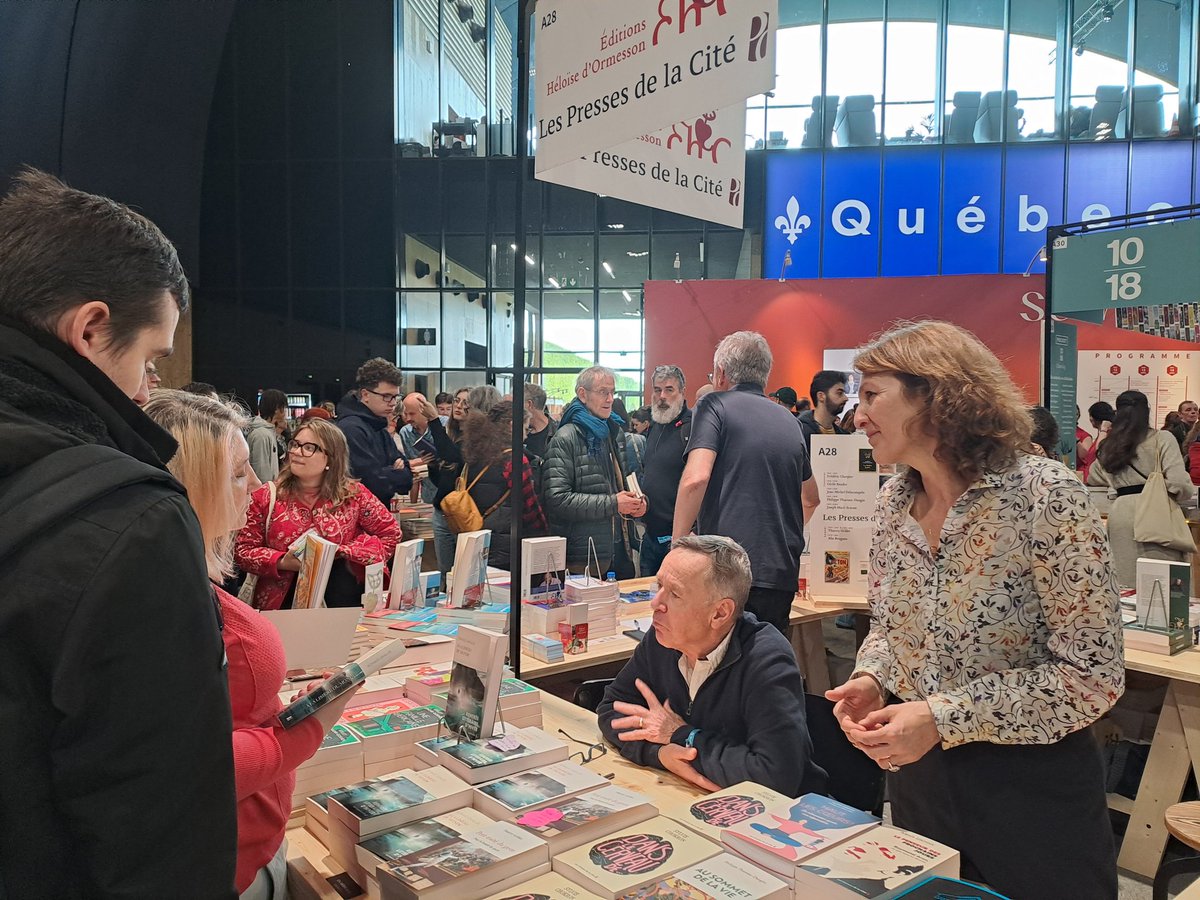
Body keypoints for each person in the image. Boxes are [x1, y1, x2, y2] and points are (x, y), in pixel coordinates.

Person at [0, 168, 237, 896]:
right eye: (151, 359)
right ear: (91, 326)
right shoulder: (125, 516)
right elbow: (161, 827)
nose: (146, 392)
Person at [827, 321, 1123, 898]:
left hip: (1032, 790)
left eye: (871, 395)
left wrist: (942, 717)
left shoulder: (1046, 496)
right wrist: (873, 676)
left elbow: (1092, 675)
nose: (856, 416)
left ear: (937, 396)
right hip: (920, 784)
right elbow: (890, 625)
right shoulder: (894, 499)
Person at [144, 391, 360, 899]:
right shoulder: (166, 598)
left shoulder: (181, 577)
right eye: (240, 473)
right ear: (194, 484)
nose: (257, 484)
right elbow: (191, 764)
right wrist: (307, 730)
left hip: (247, 837)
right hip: (225, 857)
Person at [597, 536, 827, 797]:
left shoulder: (766, 659)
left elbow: (775, 776)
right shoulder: (663, 638)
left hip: (779, 818)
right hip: (691, 795)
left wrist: (681, 734)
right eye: (659, 585)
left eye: (674, 594)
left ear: (720, 613)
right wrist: (660, 754)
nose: (655, 603)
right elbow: (610, 709)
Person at [673, 332, 819, 636]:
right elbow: (811, 498)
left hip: (727, 573)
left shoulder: (714, 404)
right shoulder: (789, 420)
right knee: (765, 670)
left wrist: (677, 548)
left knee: (718, 674)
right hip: (780, 574)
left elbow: (696, 478)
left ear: (722, 373)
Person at [235, 418, 401, 609]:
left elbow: (391, 534)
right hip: (281, 605)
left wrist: (347, 552)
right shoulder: (266, 496)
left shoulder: (354, 495)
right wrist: (281, 561)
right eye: (295, 444)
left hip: (342, 601)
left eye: (309, 447)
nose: (297, 452)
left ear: (330, 458)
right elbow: (242, 551)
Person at [544, 366, 645, 576]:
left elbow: (624, 482)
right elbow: (557, 499)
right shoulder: (565, 437)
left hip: (620, 549)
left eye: (612, 392)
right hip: (583, 557)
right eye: (603, 392)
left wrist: (639, 502)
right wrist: (614, 503)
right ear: (582, 394)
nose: (610, 399)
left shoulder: (614, 432)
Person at [1088, 390, 1194, 588]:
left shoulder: (1110, 445)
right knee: (1163, 586)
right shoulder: (1162, 439)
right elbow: (1179, 483)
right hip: (1156, 511)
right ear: (1147, 411)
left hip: (1120, 515)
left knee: (1125, 582)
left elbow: (1094, 476)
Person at [460, 400, 547, 569]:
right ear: (512, 426)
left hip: (476, 536)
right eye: (525, 428)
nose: (527, 434)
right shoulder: (515, 460)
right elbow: (530, 507)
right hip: (508, 545)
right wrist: (544, 534)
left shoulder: (476, 452)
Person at [426, 385, 499, 571]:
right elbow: (444, 481)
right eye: (456, 401)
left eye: (465, 403)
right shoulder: (450, 434)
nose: (458, 406)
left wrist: (433, 421)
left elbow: (454, 456)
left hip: (463, 513)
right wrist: (433, 466)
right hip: (442, 509)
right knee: (444, 571)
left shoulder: (476, 441)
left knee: (463, 572)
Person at [336, 357, 413, 504]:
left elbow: (407, 479)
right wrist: (395, 471)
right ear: (365, 395)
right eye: (386, 397)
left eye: (395, 397)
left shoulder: (378, 426)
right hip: (358, 518)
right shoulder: (351, 428)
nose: (393, 403)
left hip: (376, 515)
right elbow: (372, 484)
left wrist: (387, 473)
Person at [640, 365, 692, 577]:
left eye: (669, 390)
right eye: (657, 389)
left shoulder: (693, 428)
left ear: (682, 391)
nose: (662, 396)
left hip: (679, 539)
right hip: (650, 535)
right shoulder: (655, 425)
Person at [797, 370, 849, 449]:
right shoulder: (801, 435)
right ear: (821, 396)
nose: (845, 398)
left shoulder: (844, 436)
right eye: (839, 393)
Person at [247, 388, 288, 484]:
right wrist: (268, 492)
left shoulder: (268, 431)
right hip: (264, 493)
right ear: (276, 408)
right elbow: (261, 470)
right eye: (283, 407)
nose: (285, 411)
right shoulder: (261, 434)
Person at [1078, 400, 1114, 481]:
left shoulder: (1106, 433)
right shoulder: (1102, 434)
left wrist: (1103, 429)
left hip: (1097, 479)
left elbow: (1099, 451)